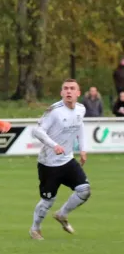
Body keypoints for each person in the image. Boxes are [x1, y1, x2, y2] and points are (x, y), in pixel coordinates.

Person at [29, 79, 89, 240]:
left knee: (84, 190)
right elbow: (37, 131)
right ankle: (35, 229)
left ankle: (62, 214)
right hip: (48, 163)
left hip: (67, 160)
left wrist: (83, 149)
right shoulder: (54, 111)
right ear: (61, 93)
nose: (68, 91)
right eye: (65, 89)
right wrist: (54, 145)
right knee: (48, 200)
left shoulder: (81, 109)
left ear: (78, 93)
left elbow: (80, 126)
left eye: (72, 89)